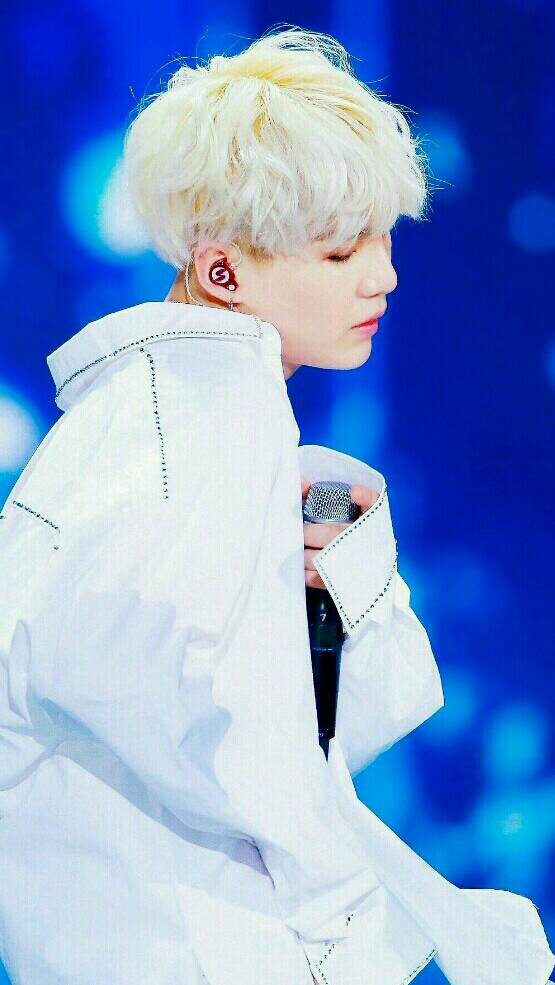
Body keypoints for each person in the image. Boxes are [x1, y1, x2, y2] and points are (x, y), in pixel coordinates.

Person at [0, 24, 553, 985]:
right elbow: (225, 743)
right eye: (340, 252)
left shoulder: (169, 420)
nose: (383, 274)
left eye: (384, 236)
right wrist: (347, 925)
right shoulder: (196, 434)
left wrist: (342, 569)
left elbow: (323, 727)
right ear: (224, 270)